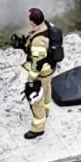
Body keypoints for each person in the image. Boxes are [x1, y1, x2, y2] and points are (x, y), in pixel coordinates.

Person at [16, 8, 56, 140]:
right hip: (49, 69)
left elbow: (37, 62)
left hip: (41, 72)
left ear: (33, 22)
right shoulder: (47, 26)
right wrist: (24, 46)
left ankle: (38, 128)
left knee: (35, 99)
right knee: (46, 89)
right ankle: (46, 112)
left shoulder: (38, 41)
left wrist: (31, 80)